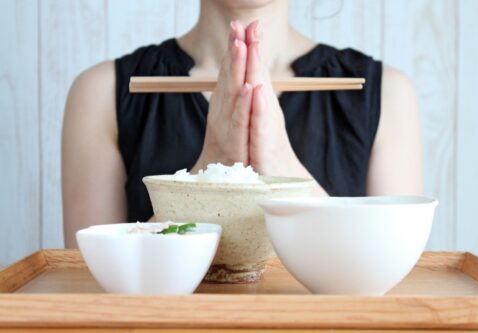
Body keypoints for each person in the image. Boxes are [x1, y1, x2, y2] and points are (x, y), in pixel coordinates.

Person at [62, 0, 422, 248]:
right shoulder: (103, 91)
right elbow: (92, 289)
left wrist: (283, 166)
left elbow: (390, 295)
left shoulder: (386, 92)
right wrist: (209, 172)